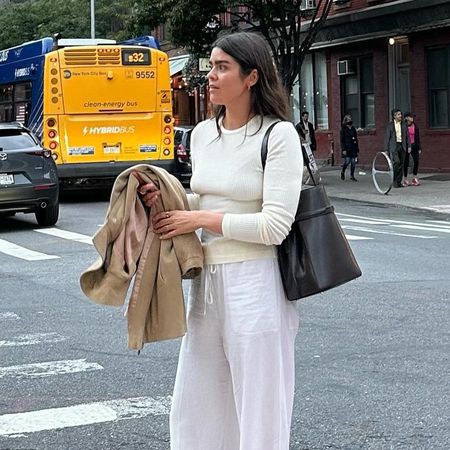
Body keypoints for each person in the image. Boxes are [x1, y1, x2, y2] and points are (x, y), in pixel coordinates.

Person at [137, 32, 303, 450]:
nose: (209, 76)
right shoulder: (202, 136)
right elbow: (206, 196)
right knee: (196, 406)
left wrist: (198, 217)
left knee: (260, 407)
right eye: (210, 66)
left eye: (222, 67)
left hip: (259, 283)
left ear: (251, 77)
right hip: (206, 285)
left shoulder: (278, 135)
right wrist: (169, 200)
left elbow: (275, 226)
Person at [384, 108, 411, 188]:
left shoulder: (404, 124)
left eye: (400, 114)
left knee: (401, 164)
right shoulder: (390, 125)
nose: (400, 116)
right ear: (394, 116)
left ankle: (398, 182)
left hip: (402, 145)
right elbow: (387, 138)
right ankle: (394, 178)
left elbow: (407, 136)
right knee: (397, 162)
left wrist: (409, 146)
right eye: (398, 114)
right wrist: (386, 149)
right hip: (394, 146)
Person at [404, 112, 422, 186]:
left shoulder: (415, 126)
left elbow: (418, 137)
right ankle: (405, 179)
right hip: (406, 146)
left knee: (416, 160)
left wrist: (419, 148)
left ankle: (414, 178)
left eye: (412, 117)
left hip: (414, 145)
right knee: (406, 162)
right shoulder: (403, 126)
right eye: (411, 117)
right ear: (406, 118)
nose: (412, 118)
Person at [340, 114, 359, 181]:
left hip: (353, 147)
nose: (350, 120)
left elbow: (356, 138)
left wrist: (357, 148)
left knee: (353, 162)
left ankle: (352, 175)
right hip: (347, 147)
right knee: (347, 161)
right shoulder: (343, 129)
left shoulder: (353, 128)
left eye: (350, 119)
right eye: (348, 119)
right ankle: (343, 171)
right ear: (346, 120)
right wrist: (343, 149)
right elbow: (342, 140)